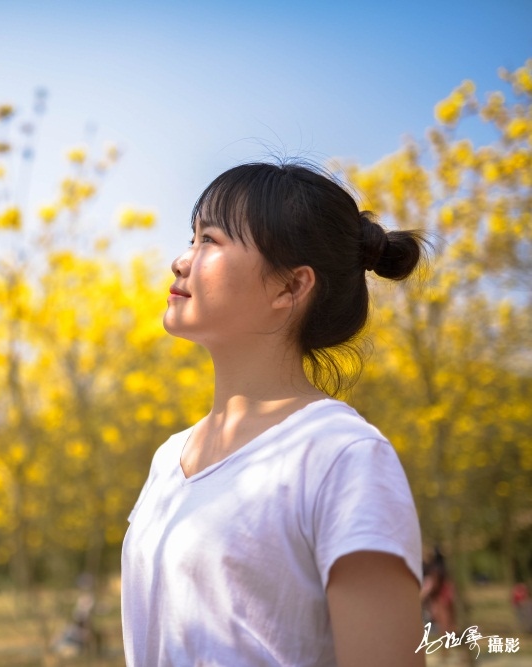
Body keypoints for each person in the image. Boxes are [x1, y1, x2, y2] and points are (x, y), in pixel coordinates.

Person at [121, 161, 426, 666]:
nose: (180, 261)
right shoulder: (169, 457)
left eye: (210, 241)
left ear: (290, 287)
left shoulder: (340, 456)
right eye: (191, 238)